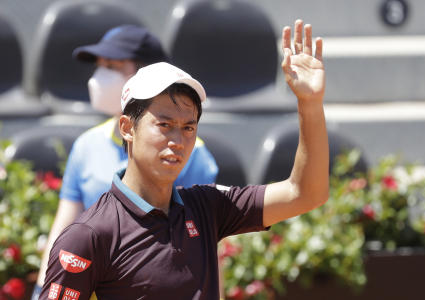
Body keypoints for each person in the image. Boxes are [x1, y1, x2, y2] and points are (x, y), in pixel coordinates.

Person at [39, 19, 328, 299]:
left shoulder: (207, 207)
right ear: (128, 128)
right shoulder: (87, 236)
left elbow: (305, 193)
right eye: (164, 125)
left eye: (188, 127)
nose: (178, 141)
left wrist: (310, 103)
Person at [33, 25, 218, 299]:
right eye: (100, 65)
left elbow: (204, 246)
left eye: (112, 66)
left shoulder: (192, 154)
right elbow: (64, 225)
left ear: (146, 74)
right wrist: (40, 289)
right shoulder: (86, 145)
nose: (99, 76)